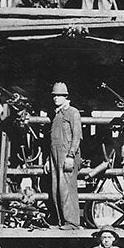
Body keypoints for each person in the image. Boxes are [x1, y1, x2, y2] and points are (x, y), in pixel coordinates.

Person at [46, 82, 82, 229]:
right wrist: (48, 160)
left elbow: (77, 136)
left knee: (66, 188)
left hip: (67, 155)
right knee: (56, 189)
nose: (56, 98)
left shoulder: (73, 112)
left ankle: (72, 222)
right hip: (54, 155)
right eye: (54, 95)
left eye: (59, 95)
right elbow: (52, 139)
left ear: (66, 96)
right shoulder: (56, 114)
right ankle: (61, 221)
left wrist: (71, 155)